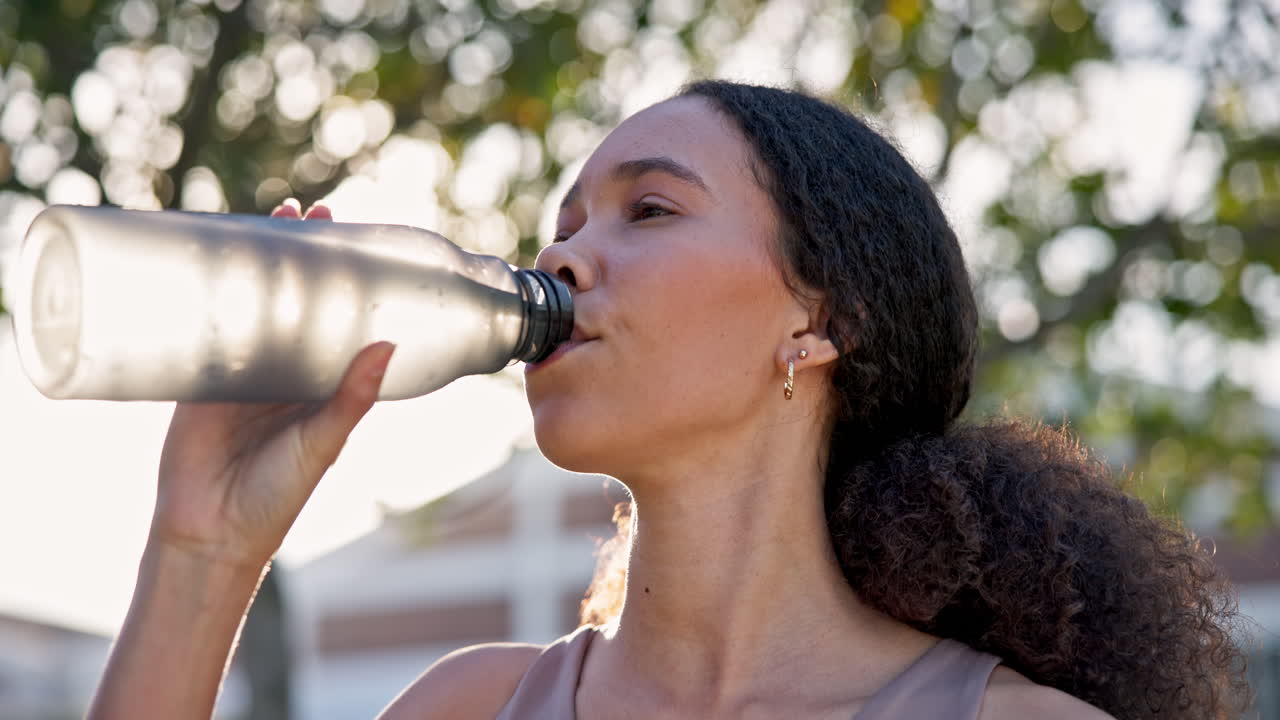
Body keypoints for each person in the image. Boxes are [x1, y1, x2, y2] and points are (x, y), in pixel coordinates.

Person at [87, 81, 1248, 720]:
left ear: (820, 320)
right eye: (564, 226)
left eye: (647, 211)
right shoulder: (471, 708)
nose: (565, 261)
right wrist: (205, 546)